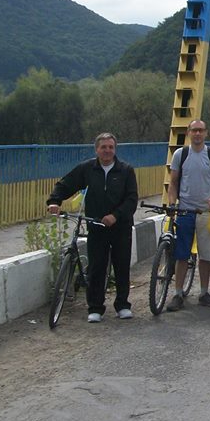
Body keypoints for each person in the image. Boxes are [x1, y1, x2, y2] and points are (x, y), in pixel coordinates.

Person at [46, 133, 138, 323]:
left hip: (120, 227)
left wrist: (115, 215)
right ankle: (95, 308)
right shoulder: (87, 169)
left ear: (115, 149)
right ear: (96, 149)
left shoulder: (126, 170)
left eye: (111, 147)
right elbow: (66, 184)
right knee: (97, 267)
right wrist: (55, 201)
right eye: (103, 147)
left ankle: (122, 305)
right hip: (96, 226)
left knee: (121, 266)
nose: (107, 151)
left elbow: (131, 199)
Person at [165, 119, 210, 312]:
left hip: (206, 211)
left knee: (205, 255)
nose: (197, 134)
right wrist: (171, 203)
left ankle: (204, 292)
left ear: (206, 133)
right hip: (185, 209)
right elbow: (173, 182)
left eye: (201, 130)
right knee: (181, 254)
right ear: (189, 133)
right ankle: (177, 293)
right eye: (194, 131)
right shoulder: (180, 154)